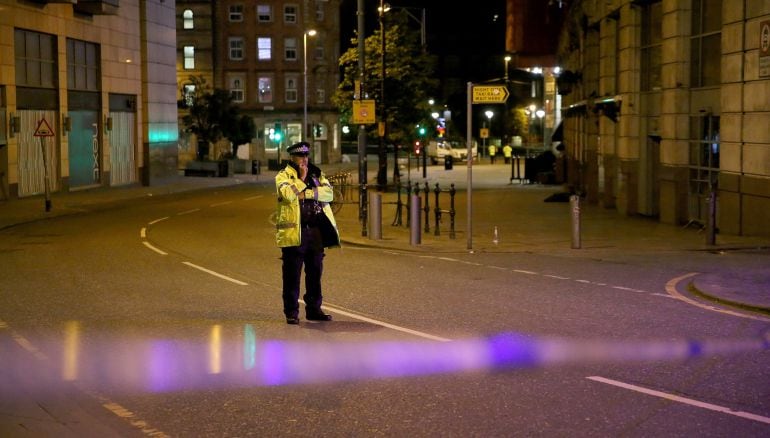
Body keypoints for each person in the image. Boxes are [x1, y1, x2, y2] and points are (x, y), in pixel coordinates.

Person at [275, 141, 340, 325]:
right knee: (292, 275)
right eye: (300, 156)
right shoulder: (283, 176)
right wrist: (301, 179)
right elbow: (288, 194)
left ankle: (313, 309)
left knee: (315, 272)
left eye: (306, 156)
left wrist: (308, 193)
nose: (304, 160)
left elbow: (329, 194)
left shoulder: (317, 173)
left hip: (315, 231)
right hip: (295, 232)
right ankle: (291, 312)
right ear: (292, 158)